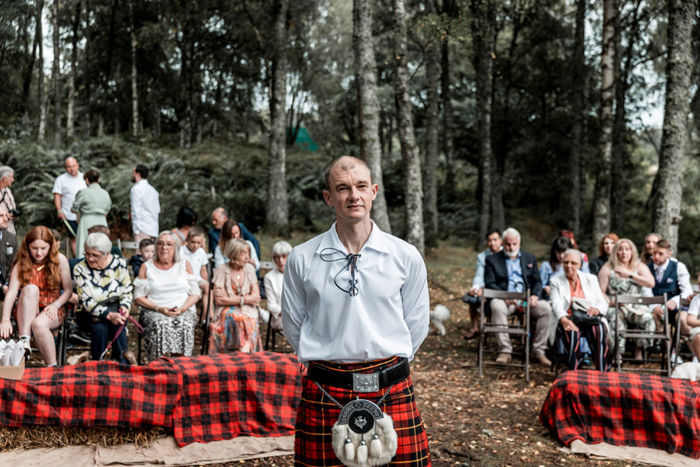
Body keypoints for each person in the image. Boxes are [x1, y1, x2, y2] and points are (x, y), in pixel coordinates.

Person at [282, 156, 431, 467]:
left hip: (392, 387)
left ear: (374, 191)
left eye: (361, 186)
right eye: (343, 188)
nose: (354, 196)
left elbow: (416, 323)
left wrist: (383, 364)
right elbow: (294, 323)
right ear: (328, 197)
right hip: (326, 388)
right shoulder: (303, 257)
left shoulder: (405, 256)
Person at [0, 226, 72, 366]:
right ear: (27, 246)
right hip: (26, 308)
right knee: (31, 288)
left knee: (39, 324)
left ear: (51, 246)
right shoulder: (21, 262)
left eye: (43, 248)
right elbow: (12, 293)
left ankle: (52, 366)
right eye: (34, 248)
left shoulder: (60, 260)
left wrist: (55, 305)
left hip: (52, 307)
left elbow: (68, 291)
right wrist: (5, 319)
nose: (39, 253)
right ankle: (25, 340)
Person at [484, 227, 553, 366]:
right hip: (505, 300)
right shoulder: (492, 260)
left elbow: (537, 281)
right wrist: (505, 295)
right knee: (496, 306)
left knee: (546, 308)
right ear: (503, 243)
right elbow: (490, 283)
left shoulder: (529, 258)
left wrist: (535, 295)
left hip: (525, 302)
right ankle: (505, 350)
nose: (511, 247)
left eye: (514, 244)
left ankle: (538, 350)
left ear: (519, 242)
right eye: (508, 244)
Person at [134, 231, 200, 362]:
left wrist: (182, 309)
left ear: (175, 248)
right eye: (161, 244)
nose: (164, 247)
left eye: (169, 244)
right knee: (160, 323)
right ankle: (159, 366)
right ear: (156, 246)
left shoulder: (184, 265)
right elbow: (138, 297)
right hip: (154, 310)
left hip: (183, 309)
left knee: (185, 323)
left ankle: (180, 366)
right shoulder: (146, 267)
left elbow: (195, 293)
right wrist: (159, 308)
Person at [72, 233, 133, 363]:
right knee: (100, 328)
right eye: (87, 254)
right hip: (89, 313)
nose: (90, 258)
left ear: (107, 253)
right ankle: (98, 365)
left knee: (118, 326)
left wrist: (125, 306)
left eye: (95, 255)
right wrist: (109, 315)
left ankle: (123, 366)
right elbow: (86, 301)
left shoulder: (119, 264)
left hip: (116, 309)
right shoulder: (80, 269)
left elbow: (126, 290)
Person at [549, 249, 609, 371]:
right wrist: (564, 319)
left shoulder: (590, 279)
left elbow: (602, 301)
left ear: (580, 265)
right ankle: (574, 369)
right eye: (566, 262)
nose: (569, 266)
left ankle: (602, 370)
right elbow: (555, 303)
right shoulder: (555, 281)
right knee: (572, 331)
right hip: (568, 318)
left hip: (588, 318)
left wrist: (597, 309)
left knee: (599, 329)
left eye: (573, 263)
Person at [598, 238, 655, 361]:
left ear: (632, 252)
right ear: (615, 252)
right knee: (615, 317)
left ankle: (639, 349)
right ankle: (617, 352)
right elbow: (600, 291)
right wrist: (610, 302)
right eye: (620, 249)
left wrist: (630, 275)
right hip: (617, 305)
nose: (624, 252)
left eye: (627, 249)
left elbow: (651, 283)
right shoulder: (607, 268)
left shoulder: (639, 266)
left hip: (636, 305)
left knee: (647, 318)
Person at [209, 239, 262, 353]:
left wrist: (230, 299)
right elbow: (219, 301)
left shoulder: (250, 269)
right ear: (233, 253)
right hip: (225, 311)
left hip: (248, 311)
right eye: (243, 253)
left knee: (246, 320)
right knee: (241, 319)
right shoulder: (222, 269)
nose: (247, 257)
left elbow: (256, 297)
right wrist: (245, 299)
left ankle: (244, 355)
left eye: (248, 253)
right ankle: (245, 357)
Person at [647, 239, 693, 339]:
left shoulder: (678, 267)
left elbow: (687, 290)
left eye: (660, 253)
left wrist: (674, 301)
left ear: (669, 254)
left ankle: (693, 352)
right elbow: (646, 291)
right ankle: (668, 350)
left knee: (683, 320)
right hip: (655, 308)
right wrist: (655, 306)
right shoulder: (647, 268)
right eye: (654, 253)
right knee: (653, 316)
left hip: (676, 308)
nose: (656, 256)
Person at [462, 229, 502, 340]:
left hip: (501, 289)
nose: (492, 243)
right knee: (472, 298)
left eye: (495, 240)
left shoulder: (506, 254)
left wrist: (486, 289)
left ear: (501, 241)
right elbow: (480, 275)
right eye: (489, 240)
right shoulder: (482, 256)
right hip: (486, 286)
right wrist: (476, 287)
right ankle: (474, 328)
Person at [71, 169, 111, 259]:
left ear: (87, 180)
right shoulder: (105, 194)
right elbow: (107, 210)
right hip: (102, 222)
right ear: (98, 180)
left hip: (86, 221)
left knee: (84, 245)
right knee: (102, 245)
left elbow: (74, 208)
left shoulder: (83, 193)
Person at [53, 157, 87, 256]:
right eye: (69, 167)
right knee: (74, 238)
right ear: (65, 168)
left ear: (77, 166)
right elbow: (57, 195)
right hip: (69, 214)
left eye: (73, 166)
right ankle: (77, 258)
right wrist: (59, 210)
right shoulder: (61, 179)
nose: (71, 169)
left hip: (84, 215)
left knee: (86, 237)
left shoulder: (84, 177)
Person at [180, 226, 210, 319]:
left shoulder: (201, 252)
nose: (195, 245)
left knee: (207, 287)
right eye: (193, 242)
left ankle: (206, 317)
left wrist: (204, 282)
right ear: (187, 240)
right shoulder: (181, 251)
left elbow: (203, 270)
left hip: (197, 279)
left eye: (198, 243)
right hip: (185, 279)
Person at [264, 241, 292, 332]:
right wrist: (289, 314)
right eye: (277, 257)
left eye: (284, 256)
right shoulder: (269, 277)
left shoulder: (297, 273)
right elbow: (271, 305)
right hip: (281, 318)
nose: (281, 260)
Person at [130, 164, 161, 243]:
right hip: (153, 229)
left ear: (138, 174)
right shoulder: (153, 190)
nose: (131, 175)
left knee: (140, 254)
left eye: (133, 173)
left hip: (142, 229)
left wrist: (136, 230)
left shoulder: (136, 189)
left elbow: (135, 211)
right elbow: (157, 209)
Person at [0, 205, 18, 297]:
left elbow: (14, 264)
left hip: (7, 284)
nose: (6, 219)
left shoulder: (11, 238)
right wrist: (1, 287)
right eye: (1, 216)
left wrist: (7, 285)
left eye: (6, 215)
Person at [0, 166, 17, 234]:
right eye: (11, 177)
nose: (13, 180)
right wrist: (5, 215)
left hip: (9, 228)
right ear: (4, 179)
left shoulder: (7, 190)